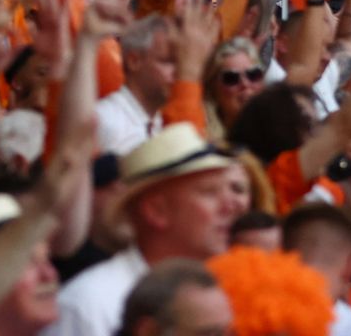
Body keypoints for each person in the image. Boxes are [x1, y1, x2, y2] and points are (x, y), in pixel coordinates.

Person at [49, 123, 245, 336]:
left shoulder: (229, 288)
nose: (231, 206)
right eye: (209, 192)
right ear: (156, 210)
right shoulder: (89, 306)